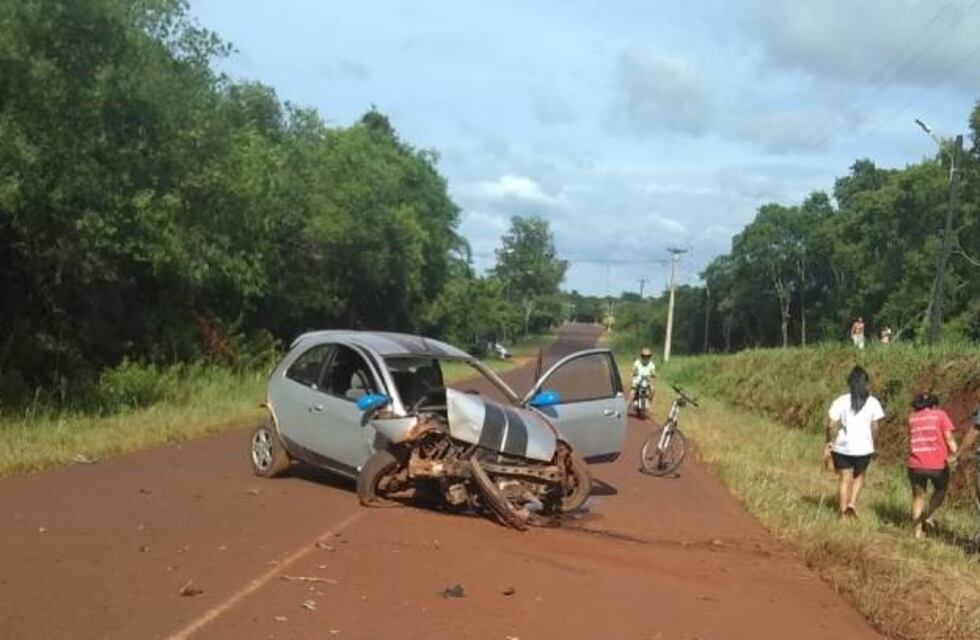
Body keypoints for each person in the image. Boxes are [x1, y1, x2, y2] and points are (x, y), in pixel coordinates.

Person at [824, 366, 885, 518]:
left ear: (850, 383)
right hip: (864, 448)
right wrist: (874, 445)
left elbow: (830, 425)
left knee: (845, 478)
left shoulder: (841, 400)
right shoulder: (873, 402)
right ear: (866, 383)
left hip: (842, 447)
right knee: (860, 476)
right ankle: (852, 504)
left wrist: (828, 441)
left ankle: (843, 512)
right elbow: (875, 427)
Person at [905, 392, 958, 539]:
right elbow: (949, 438)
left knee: (918, 496)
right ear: (934, 405)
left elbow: (911, 439)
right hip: (937, 465)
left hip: (915, 464)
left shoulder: (912, 418)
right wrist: (955, 452)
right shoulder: (940, 415)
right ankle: (928, 516)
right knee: (941, 489)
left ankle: (917, 532)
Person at [629, 347, 657, 415]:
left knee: (653, 389)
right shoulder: (637, 362)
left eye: (648, 356)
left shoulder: (651, 364)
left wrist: (653, 374)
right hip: (637, 381)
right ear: (641, 356)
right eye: (644, 356)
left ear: (650, 357)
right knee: (632, 393)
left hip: (646, 381)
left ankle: (649, 402)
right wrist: (633, 372)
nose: (646, 358)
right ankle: (629, 404)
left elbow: (653, 371)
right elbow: (634, 369)